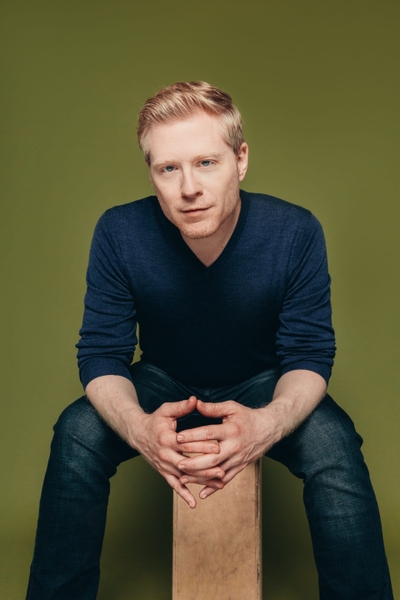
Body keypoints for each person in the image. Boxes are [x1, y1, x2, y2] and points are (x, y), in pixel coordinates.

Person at [26, 81, 393, 599]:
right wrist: (139, 429)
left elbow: (309, 354)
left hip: (262, 381)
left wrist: (268, 423)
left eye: (206, 163)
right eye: (168, 168)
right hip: (163, 380)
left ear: (240, 160)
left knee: (334, 444)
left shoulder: (295, 231)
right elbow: (102, 352)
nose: (188, 188)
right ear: (152, 174)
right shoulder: (119, 231)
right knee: (77, 432)